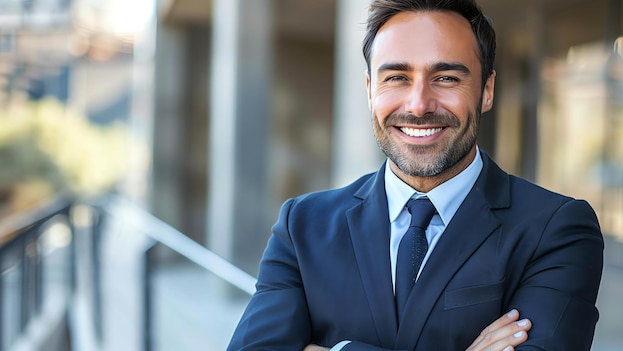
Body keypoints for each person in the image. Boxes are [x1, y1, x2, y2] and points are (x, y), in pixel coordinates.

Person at [227, 0, 604, 350]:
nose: (419, 105)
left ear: (486, 91)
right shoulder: (302, 226)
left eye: (447, 78)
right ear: (369, 89)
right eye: (396, 77)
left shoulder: (557, 230)